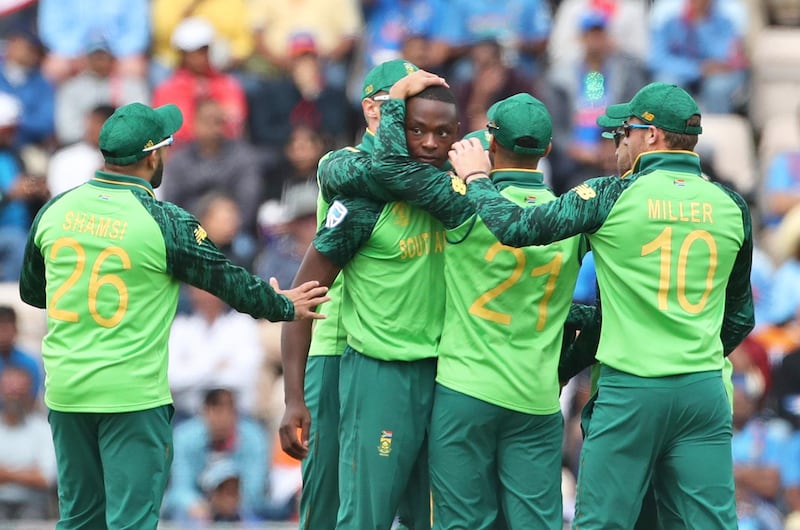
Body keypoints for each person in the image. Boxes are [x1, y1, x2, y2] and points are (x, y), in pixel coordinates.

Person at [448, 82, 755, 529]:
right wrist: (689, 350)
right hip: (704, 392)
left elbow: (516, 227)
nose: (616, 145)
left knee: (601, 523)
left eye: (623, 133)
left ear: (651, 136)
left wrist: (476, 178)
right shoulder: (731, 204)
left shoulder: (613, 195)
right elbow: (741, 318)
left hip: (632, 390)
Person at [18, 101, 329, 530]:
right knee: (131, 523)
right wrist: (283, 304)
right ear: (152, 156)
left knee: (79, 520)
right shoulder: (164, 222)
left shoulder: (55, 211)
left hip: (67, 392)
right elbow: (228, 283)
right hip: (131, 397)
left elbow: (34, 293)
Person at [281, 69, 458, 529]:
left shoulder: (430, 175)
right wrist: (293, 394)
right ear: (372, 108)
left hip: (395, 341)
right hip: (336, 341)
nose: (409, 121)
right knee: (329, 494)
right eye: (397, 101)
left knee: (397, 497)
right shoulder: (342, 165)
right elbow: (385, 172)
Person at [0, 366, 57, 520]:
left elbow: (46, 478)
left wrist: (6, 474)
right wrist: (28, 472)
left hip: (33, 503)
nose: (13, 397)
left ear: (30, 393)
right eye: (9, 391)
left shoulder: (43, 429)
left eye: (19, 392)